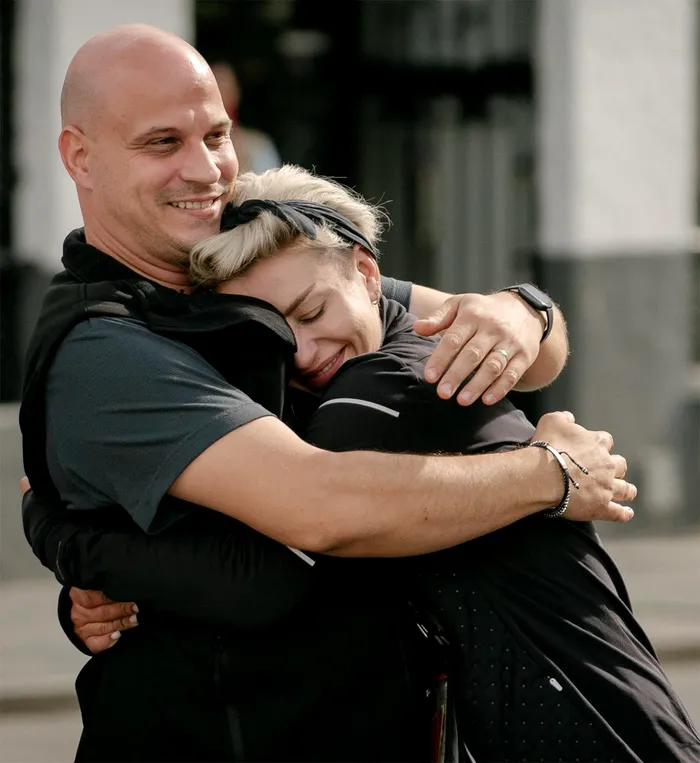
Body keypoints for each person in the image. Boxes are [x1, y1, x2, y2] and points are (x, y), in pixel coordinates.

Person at [20, 23, 636, 763]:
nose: (206, 169)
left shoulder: (244, 265)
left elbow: (526, 357)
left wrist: (521, 310)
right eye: (162, 143)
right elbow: (322, 509)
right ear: (79, 157)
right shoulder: (104, 349)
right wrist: (551, 475)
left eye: (216, 134)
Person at [212, 61, 282, 174]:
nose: (222, 93)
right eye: (217, 85)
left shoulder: (259, 144)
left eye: (226, 86)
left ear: (237, 93)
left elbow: (272, 180)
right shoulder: (196, 144)